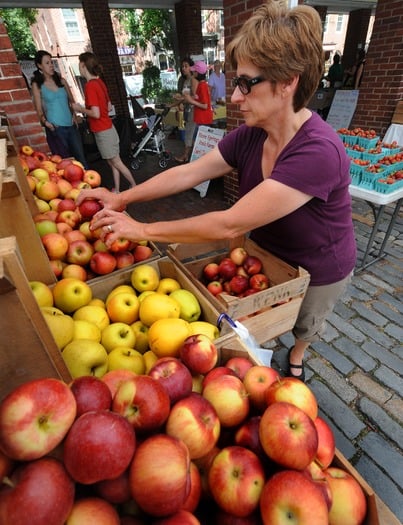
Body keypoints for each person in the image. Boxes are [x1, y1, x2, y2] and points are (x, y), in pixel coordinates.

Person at [76, 1, 357, 382]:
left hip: (320, 262)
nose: (236, 96)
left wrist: (141, 230)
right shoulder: (251, 135)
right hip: (266, 251)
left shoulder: (318, 152)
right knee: (263, 315)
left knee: (305, 321)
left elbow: (227, 224)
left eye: (246, 83)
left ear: (288, 81)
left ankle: (298, 356)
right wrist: (123, 198)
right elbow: (190, 173)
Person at [71, 52, 136, 193]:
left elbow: (96, 113)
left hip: (103, 131)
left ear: (83, 65)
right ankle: (118, 189)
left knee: (116, 162)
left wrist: (80, 108)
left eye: (79, 65)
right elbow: (109, 107)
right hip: (108, 128)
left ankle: (134, 186)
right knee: (113, 162)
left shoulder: (90, 86)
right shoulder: (100, 82)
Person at [31, 50, 88, 167]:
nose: (51, 65)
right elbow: (38, 110)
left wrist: (74, 115)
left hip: (71, 126)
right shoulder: (37, 85)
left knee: (81, 159)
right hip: (56, 129)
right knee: (64, 163)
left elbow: (72, 102)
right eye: (47, 63)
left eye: (51, 62)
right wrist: (46, 123)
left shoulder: (61, 81)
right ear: (39, 65)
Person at [172, 57, 199, 164]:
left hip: (193, 110)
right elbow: (184, 98)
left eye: (186, 66)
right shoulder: (185, 81)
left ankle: (185, 156)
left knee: (189, 133)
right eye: (182, 66)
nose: (183, 68)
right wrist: (173, 104)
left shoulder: (193, 80)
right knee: (190, 133)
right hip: (187, 111)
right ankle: (191, 155)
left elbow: (195, 97)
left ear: (191, 67)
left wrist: (181, 99)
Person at [183, 61, 213, 129]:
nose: (192, 72)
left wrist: (191, 101)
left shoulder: (202, 86)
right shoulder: (202, 84)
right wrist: (190, 97)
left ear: (197, 73)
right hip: (201, 119)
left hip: (203, 120)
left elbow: (205, 106)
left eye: (194, 71)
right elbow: (200, 99)